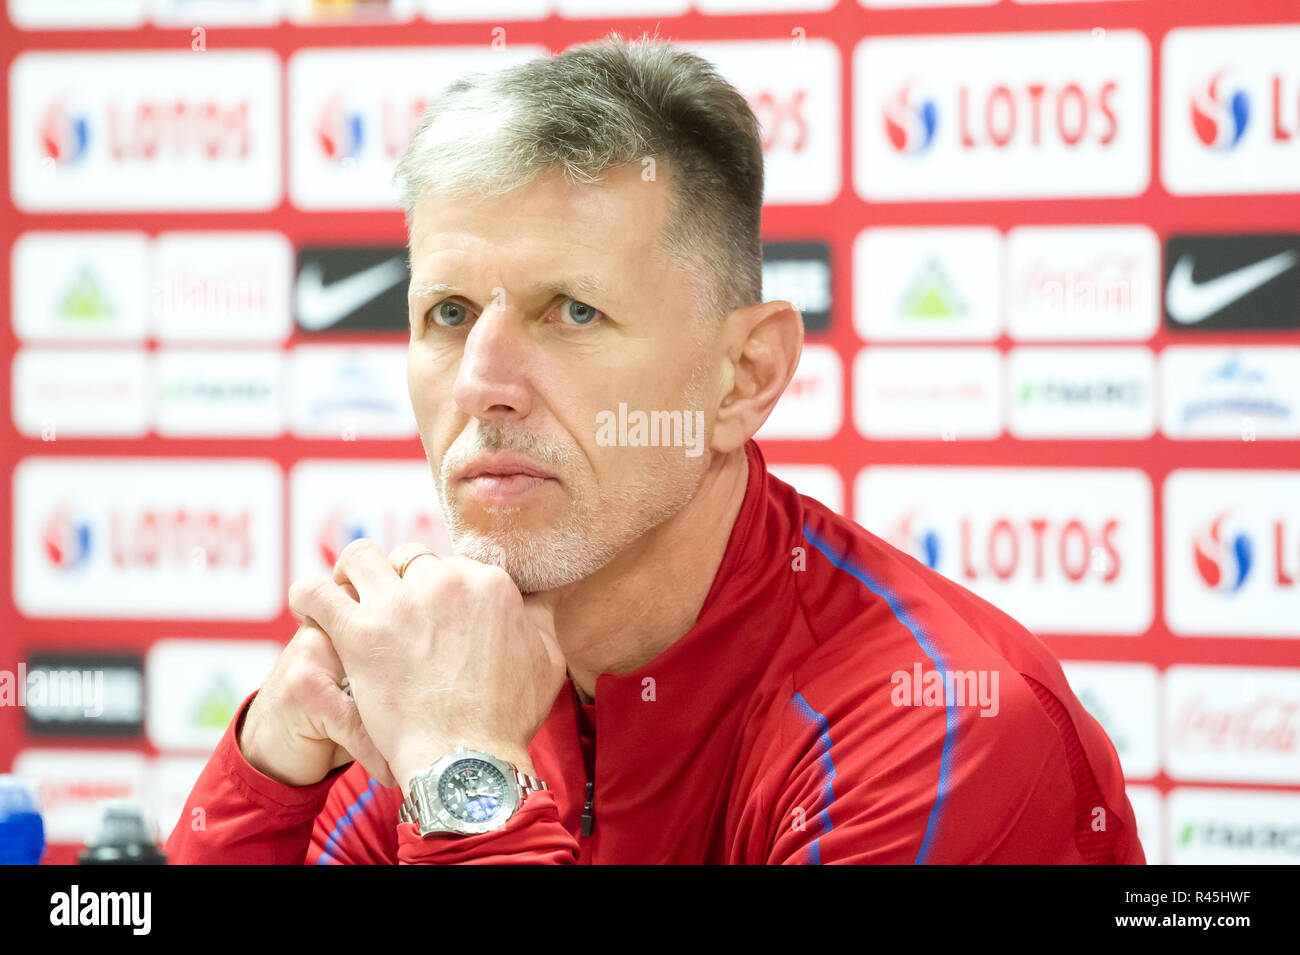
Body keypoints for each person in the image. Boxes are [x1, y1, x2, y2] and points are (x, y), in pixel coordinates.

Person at [166, 34, 1145, 865]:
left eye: (574, 310)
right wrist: (267, 774)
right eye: (450, 312)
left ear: (744, 376)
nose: (481, 381)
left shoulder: (937, 725)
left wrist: (464, 768)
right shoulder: (438, 678)